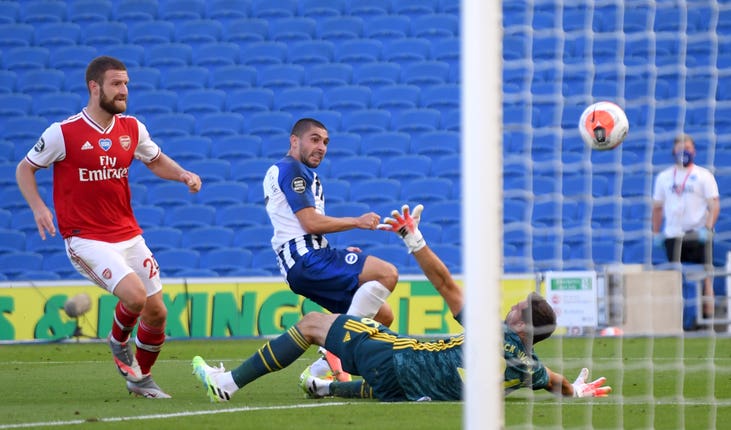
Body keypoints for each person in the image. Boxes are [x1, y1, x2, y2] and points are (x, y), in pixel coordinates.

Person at [192, 204, 611, 402]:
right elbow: (552, 380)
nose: (509, 308)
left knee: (313, 323)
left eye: (516, 308)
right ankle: (321, 384)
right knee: (380, 377)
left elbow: (446, 284)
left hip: (393, 358)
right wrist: (575, 390)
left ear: (518, 324)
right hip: (405, 392)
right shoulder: (528, 369)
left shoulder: (492, 334)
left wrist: (413, 238)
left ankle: (226, 385)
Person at [15, 55, 202, 398]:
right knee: (133, 296)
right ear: (94, 86)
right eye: (116, 84)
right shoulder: (63, 133)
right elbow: (25, 169)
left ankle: (140, 380)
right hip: (86, 238)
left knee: (157, 312)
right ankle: (117, 341)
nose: (124, 91)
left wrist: (182, 174)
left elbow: (155, 159)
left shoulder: (132, 128)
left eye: (126, 84)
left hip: (128, 234)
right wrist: (39, 207)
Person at [261, 118, 399, 380]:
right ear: (294, 140)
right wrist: (357, 221)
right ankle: (332, 350)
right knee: (387, 274)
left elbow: (302, 226)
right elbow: (310, 222)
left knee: (382, 315)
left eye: (325, 142)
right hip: (306, 259)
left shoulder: (288, 171)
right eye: (314, 139)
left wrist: (338, 249)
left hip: (305, 259)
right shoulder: (292, 170)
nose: (321, 147)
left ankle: (318, 372)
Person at [652, 133, 720, 326]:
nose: (684, 151)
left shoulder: (703, 175)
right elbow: (657, 207)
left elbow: (714, 204)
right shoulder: (664, 177)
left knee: (706, 276)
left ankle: (709, 319)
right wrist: (657, 233)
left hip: (698, 234)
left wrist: (708, 228)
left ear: (694, 151)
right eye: (681, 147)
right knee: (674, 278)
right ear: (674, 151)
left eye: (688, 148)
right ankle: (676, 320)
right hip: (674, 235)